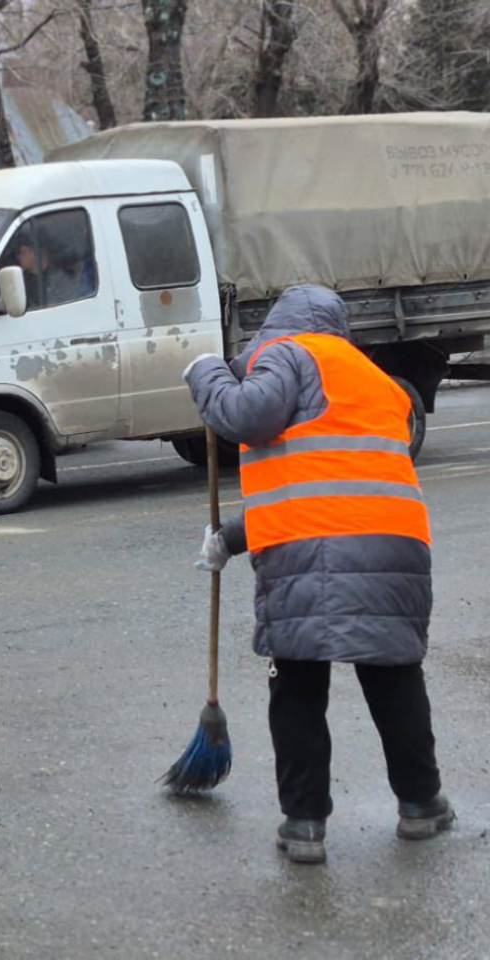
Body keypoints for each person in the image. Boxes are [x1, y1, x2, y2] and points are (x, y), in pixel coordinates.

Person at [184, 284, 453, 865]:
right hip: (396, 546)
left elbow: (246, 417)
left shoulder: (288, 352)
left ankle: (305, 825)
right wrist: (231, 538)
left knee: (299, 688)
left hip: (311, 554)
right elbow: (325, 480)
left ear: (280, 323)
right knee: (394, 680)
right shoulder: (372, 378)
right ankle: (423, 805)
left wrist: (205, 373)